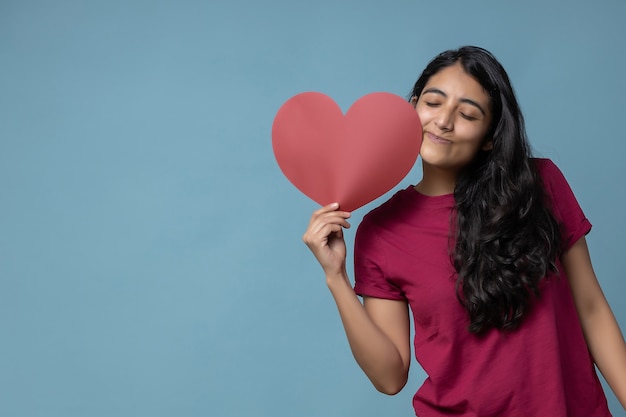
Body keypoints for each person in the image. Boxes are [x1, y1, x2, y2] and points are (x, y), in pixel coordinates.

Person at [302, 46, 626, 416]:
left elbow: (592, 309)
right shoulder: (381, 231)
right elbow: (390, 378)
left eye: (468, 113)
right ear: (410, 109)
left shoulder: (540, 185)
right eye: (433, 103)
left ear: (490, 136)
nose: (443, 122)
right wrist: (336, 277)